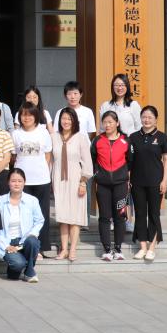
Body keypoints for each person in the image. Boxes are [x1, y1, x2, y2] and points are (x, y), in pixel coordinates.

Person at [128, 106, 167, 261]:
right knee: (140, 214)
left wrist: (164, 180)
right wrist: (128, 180)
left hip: (156, 182)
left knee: (154, 214)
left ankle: (152, 247)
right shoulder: (133, 137)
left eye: (150, 117)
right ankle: (142, 247)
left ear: (155, 119)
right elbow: (130, 162)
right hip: (137, 182)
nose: (146, 120)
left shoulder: (162, 137)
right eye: (144, 117)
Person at [12, 102, 55, 259]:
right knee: (23, 215)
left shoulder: (43, 132)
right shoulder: (16, 134)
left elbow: (48, 155)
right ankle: (25, 246)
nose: (27, 118)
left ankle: (41, 247)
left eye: (30, 115)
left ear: (36, 116)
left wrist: (43, 171)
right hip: (22, 181)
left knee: (41, 214)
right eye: (24, 115)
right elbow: (13, 156)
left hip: (41, 179)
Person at [52, 107, 93, 261]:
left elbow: (87, 163)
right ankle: (64, 249)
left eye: (69, 119)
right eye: (64, 118)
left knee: (75, 215)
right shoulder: (53, 137)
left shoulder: (80, 138)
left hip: (76, 180)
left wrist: (83, 182)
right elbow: (50, 160)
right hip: (59, 179)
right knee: (62, 215)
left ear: (74, 121)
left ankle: (73, 249)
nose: (66, 121)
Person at [90, 111, 132, 262]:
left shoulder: (125, 140)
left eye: (110, 122)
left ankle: (118, 249)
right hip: (102, 185)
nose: (107, 125)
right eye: (105, 122)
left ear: (117, 123)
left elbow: (131, 161)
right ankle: (107, 249)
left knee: (120, 216)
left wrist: (127, 179)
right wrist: (97, 175)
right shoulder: (97, 141)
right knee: (104, 217)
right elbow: (92, 160)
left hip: (121, 184)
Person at [0, 169, 43, 282]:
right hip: (8, 242)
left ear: (24, 182)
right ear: (8, 182)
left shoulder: (32, 200)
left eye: (20, 181)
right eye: (13, 181)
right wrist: (6, 246)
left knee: (33, 242)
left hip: (24, 241)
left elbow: (39, 221)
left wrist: (32, 234)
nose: (16, 184)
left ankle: (29, 272)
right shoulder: (0, 201)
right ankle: (17, 267)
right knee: (17, 265)